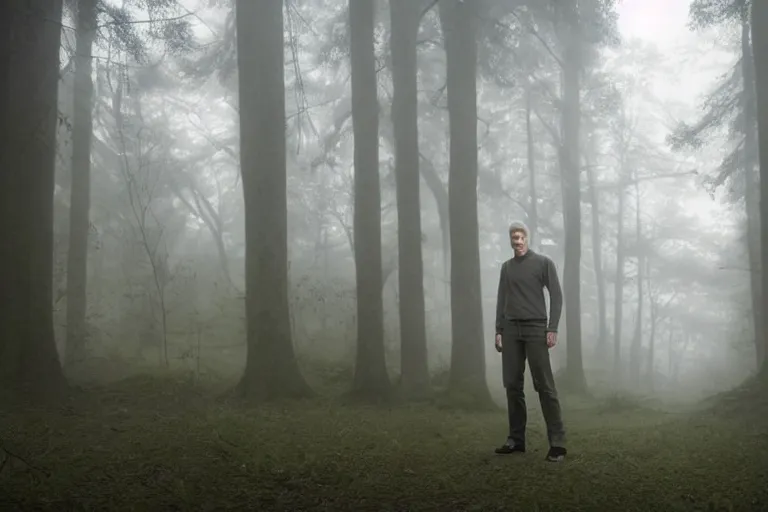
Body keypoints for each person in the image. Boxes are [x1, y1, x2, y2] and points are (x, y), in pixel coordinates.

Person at [493, 221, 567, 462]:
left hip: (536, 328)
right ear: (510, 241)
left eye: (521, 237)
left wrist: (552, 327)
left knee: (544, 385)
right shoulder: (506, 268)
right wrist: (499, 330)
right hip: (511, 329)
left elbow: (556, 295)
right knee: (512, 385)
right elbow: (501, 298)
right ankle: (516, 440)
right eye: (514, 238)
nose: (518, 241)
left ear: (527, 238)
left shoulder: (543, 263)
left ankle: (557, 444)